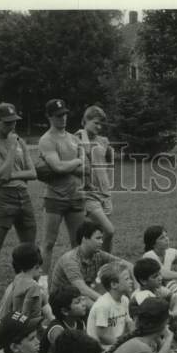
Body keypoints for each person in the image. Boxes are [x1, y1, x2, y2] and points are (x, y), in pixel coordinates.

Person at [0, 102, 38, 290]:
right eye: (7, 122)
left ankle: (31, 291)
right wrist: (12, 148)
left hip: (23, 196)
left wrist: (9, 175)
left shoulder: (20, 141)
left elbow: (32, 173)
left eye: (14, 121)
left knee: (30, 251)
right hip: (3, 198)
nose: (12, 126)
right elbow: (1, 174)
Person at [38, 98, 86, 276]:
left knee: (78, 243)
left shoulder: (74, 139)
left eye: (65, 114)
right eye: (58, 116)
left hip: (76, 196)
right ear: (49, 117)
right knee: (49, 243)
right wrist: (76, 161)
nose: (63, 118)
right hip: (54, 197)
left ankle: (77, 279)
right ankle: (42, 283)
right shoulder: (46, 140)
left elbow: (86, 170)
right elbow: (57, 167)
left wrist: (67, 166)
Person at [48, 220, 132, 301]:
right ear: (85, 239)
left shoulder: (98, 254)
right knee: (87, 298)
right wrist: (107, 303)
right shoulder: (70, 260)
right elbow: (82, 289)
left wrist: (136, 292)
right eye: (98, 238)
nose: (101, 242)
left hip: (79, 297)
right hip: (62, 301)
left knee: (120, 286)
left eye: (101, 238)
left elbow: (128, 266)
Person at [75, 105, 116, 253]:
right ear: (85, 120)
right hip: (89, 195)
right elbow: (86, 153)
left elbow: (109, 162)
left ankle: (101, 267)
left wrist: (107, 183)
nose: (99, 127)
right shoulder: (76, 138)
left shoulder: (103, 141)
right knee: (109, 231)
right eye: (95, 123)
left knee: (97, 235)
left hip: (105, 194)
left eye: (101, 124)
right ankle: (102, 264)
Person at [85, 262, 135, 349]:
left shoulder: (124, 300)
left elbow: (129, 323)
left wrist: (136, 338)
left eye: (130, 278)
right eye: (127, 279)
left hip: (115, 344)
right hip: (100, 349)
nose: (131, 281)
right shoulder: (103, 305)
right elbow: (103, 336)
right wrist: (124, 346)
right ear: (114, 285)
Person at [0, 243, 48, 322]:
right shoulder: (32, 286)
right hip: (16, 328)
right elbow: (23, 317)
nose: (41, 270)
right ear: (34, 266)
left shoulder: (16, 281)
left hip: (2, 323)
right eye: (37, 267)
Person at [38, 285, 87, 353]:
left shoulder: (80, 323)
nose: (84, 304)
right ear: (64, 311)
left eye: (82, 299)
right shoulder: (57, 329)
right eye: (77, 302)